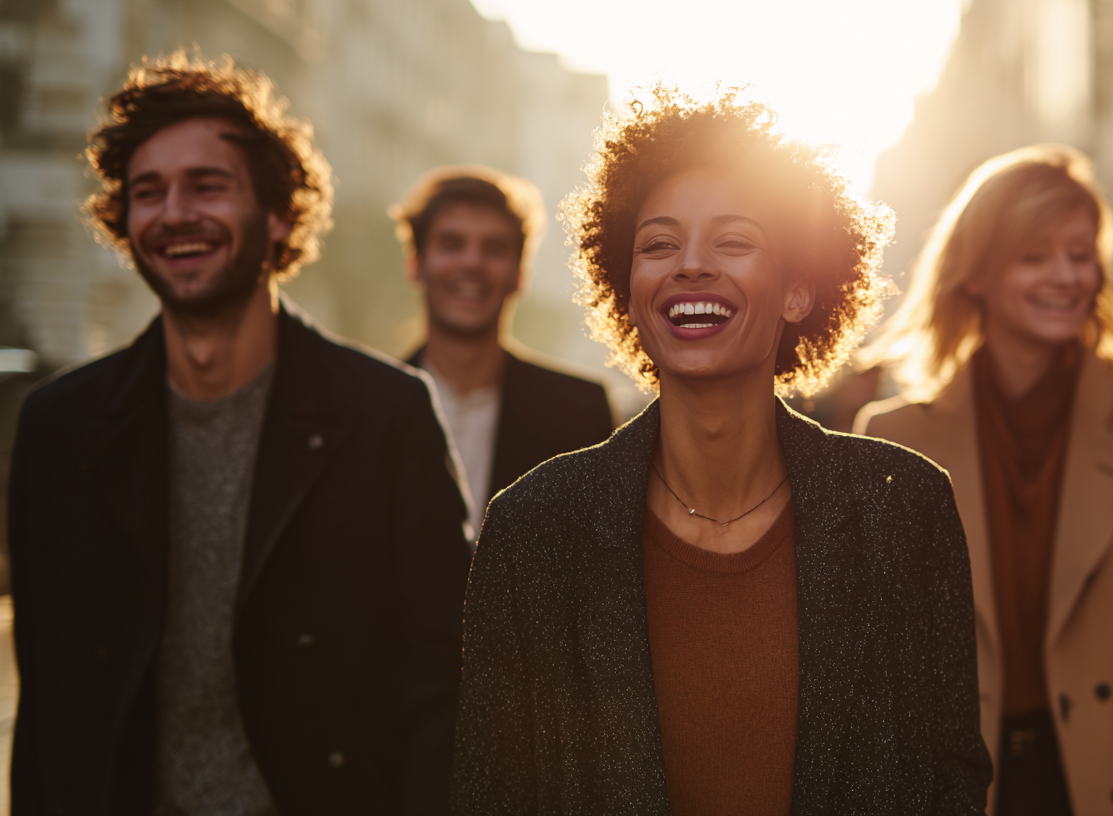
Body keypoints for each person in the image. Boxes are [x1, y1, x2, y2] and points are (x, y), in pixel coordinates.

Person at [451, 86, 993, 815]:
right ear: (628, 287)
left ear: (799, 290)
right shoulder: (531, 529)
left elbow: (949, 784)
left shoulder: (903, 509)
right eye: (658, 244)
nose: (691, 266)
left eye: (734, 242)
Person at [7, 54, 471, 815]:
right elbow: (50, 707)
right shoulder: (62, 429)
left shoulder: (384, 415)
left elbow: (445, 681)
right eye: (148, 192)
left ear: (280, 215)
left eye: (208, 186)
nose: (174, 212)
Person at [857, 145, 1113, 816]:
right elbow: (881, 674)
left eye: (1081, 255)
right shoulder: (893, 439)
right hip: (958, 790)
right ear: (977, 272)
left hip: (1106, 785)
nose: (1065, 276)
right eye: (1034, 256)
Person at [392, 167, 615, 538]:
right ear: (416, 264)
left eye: (494, 249)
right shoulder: (366, 409)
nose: (472, 263)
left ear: (519, 273)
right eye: (451, 244)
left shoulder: (581, 412)